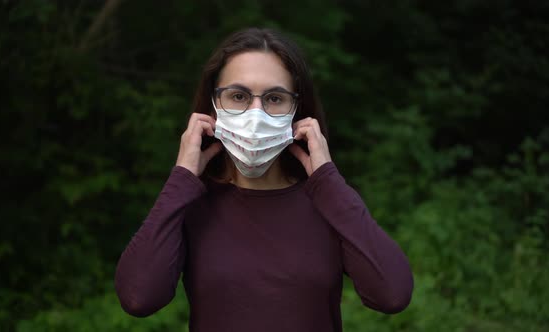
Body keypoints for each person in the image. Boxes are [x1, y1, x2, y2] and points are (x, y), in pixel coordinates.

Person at [115, 27, 413, 332]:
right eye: (238, 96)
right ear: (213, 105)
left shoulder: (328, 202)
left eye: (274, 98)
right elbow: (139, 297)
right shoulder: (192, 203)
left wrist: (328, 182)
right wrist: (181, 177)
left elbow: (392, 294)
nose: (255, 115)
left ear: (297, 109)